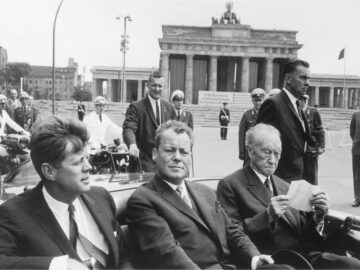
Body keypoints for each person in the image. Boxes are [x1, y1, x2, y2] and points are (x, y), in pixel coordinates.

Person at [126, 120, 294, 270]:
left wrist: (255, 258)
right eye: (170, 150)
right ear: (155, 154)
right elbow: (167, 253)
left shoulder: (205, 192)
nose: (177, 158)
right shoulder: (143, 200)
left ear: (190, 157)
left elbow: (232, 231)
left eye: (184, 152)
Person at [217, 123, 360, 269]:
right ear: (250, 150)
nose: (273, 160)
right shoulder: (230, 185)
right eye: (267, 152)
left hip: (303, 258)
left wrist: (319, 217)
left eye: (277, 154)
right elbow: (231, 234)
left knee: (351, 265)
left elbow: (306, 238)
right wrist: (267, 216)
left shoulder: (285, 186)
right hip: (270, 261)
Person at [0, 115, 128, 269]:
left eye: (87, 158)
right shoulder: (14, 214)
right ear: (49, 171)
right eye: (77, 162)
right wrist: (59, 266)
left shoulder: (101, 197)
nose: (89, 167)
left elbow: (123, 254)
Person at [256, 59, 315, 182]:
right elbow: (259, 144)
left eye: (309, 79)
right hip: (281, 179)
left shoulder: (297, 104)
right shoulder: (273, 104)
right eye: (303, 78)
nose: (307, 83)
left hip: (300, 177)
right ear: (288, 79)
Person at [122, 71, 176, 172]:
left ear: (164, 87)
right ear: (147, 85)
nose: (157, 89)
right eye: (154, 85)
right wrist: (132, 144)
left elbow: (175, 132)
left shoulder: (169, 108)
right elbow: (129, 128)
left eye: (160, 86)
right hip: (143, 164)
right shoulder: (136, 107)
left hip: (165, 164)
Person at [298, 94, 325, 185]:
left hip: (311, 148)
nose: (301, 102)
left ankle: (312, 195)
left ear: (306, 101)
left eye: (303, 100)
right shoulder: (294, 111)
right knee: (298, 174)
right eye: (299, 99)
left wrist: (321, 146)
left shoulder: (314, 112)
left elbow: (320, 130)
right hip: (297, 147)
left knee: (311, 175)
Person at [239, 88, 265, 166]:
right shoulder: (247, 115)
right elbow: (241, 134)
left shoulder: (267, 114)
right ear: (252, 101)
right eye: (255, 100)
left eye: (260, 100)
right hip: (249, 151)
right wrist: (242, 152)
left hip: (263, 150)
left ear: (263, 100)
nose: (258, 103)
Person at [350, 110, 360, 207]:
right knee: (357, 175)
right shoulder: (356, 115)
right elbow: (352, 132)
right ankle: (358, 197)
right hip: (357, 149)